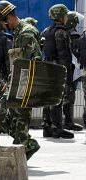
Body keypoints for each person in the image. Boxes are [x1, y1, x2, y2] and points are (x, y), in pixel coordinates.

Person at [0, 0, 40, 160]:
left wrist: (15, 84)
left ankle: (23, 151)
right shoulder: (18, 33)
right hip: (18, 84)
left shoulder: (26, 33)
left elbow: (28, 65)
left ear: (7, 18)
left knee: (16, 118)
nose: (2, 26)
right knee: (7, 116)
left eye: (1, 21)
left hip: (26, 85)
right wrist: (8, 83)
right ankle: (26, 146)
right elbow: (17, 63)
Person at [41, 4, 75, 138]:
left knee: (48, 98)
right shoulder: (61, 32)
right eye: (65, 15)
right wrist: (67, 75)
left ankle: (47, 127)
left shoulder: (46, 31)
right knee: (57, 98)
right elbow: (64, 54)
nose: (67, 18)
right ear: (60, 17)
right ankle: (57, 128)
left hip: (47, 66)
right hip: (58, 68)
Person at [62, 11, 84, 131]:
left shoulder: (60, 32)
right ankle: (68, 121)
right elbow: (77, 54)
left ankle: (60, 122)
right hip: (72, 70)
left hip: (62, 68)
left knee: (61, 96)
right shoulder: (74, 36)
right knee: (70, 96)